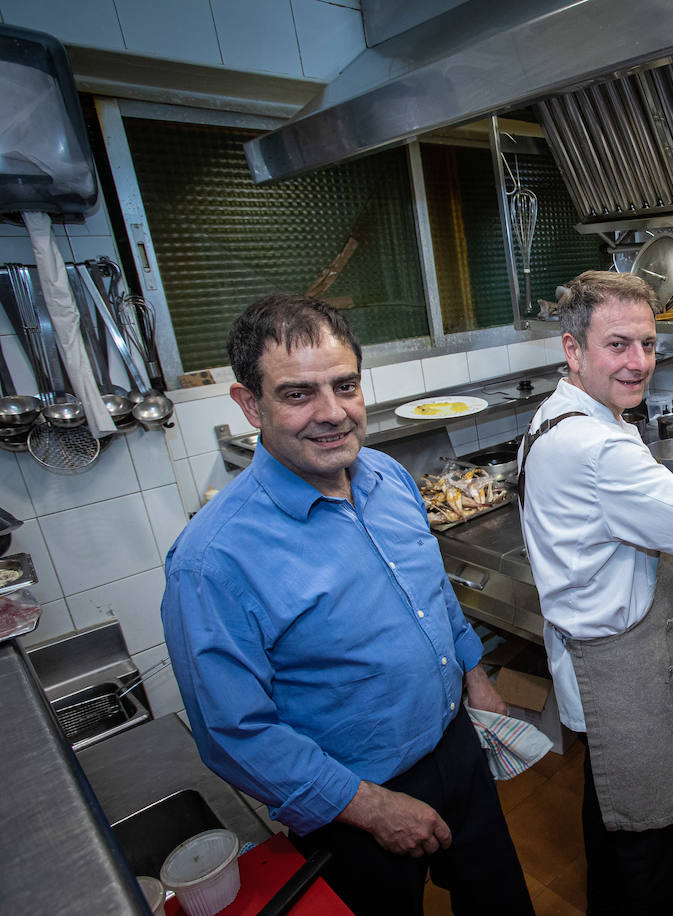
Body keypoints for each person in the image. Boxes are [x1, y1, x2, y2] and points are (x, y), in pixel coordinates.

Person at [161, 294, 534, 916]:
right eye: (298, 394)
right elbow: (234, 731)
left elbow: (432, 593)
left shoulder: (387, 477)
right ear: (250, 404)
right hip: (349, 799)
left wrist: (476, 676)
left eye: (345, 385)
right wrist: (369, 806)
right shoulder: (213, 562)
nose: (332, 414)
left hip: (454, 745)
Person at [518, 270, 673, 915]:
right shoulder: (596, 444)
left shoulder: (561, 416)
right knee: (647, 843)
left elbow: (644, 498)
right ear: (573, 350)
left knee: (613, 810)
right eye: (618, 345)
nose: (639, 363)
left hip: (595, 658)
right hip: (621, 673)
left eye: (649, 345)